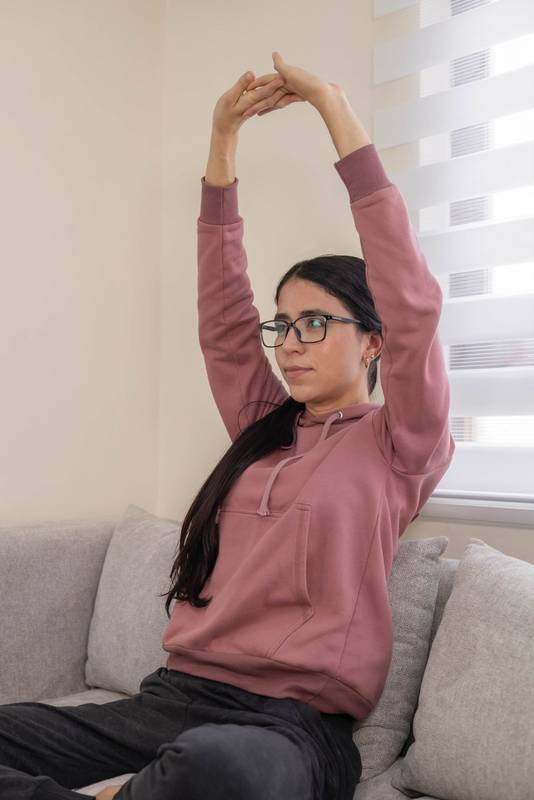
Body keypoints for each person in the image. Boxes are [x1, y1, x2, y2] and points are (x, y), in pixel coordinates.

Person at [0, 51, 455, 800]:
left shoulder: (401, 443)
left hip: (291, 729)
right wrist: (221, 142)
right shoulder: (261, 424)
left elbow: (414, 304)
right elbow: (222, 315)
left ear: (375, 341)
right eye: (284, 325)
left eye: (317, 322)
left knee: (223, 770)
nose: (293, 342)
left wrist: (334, 110)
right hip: (170, 700)